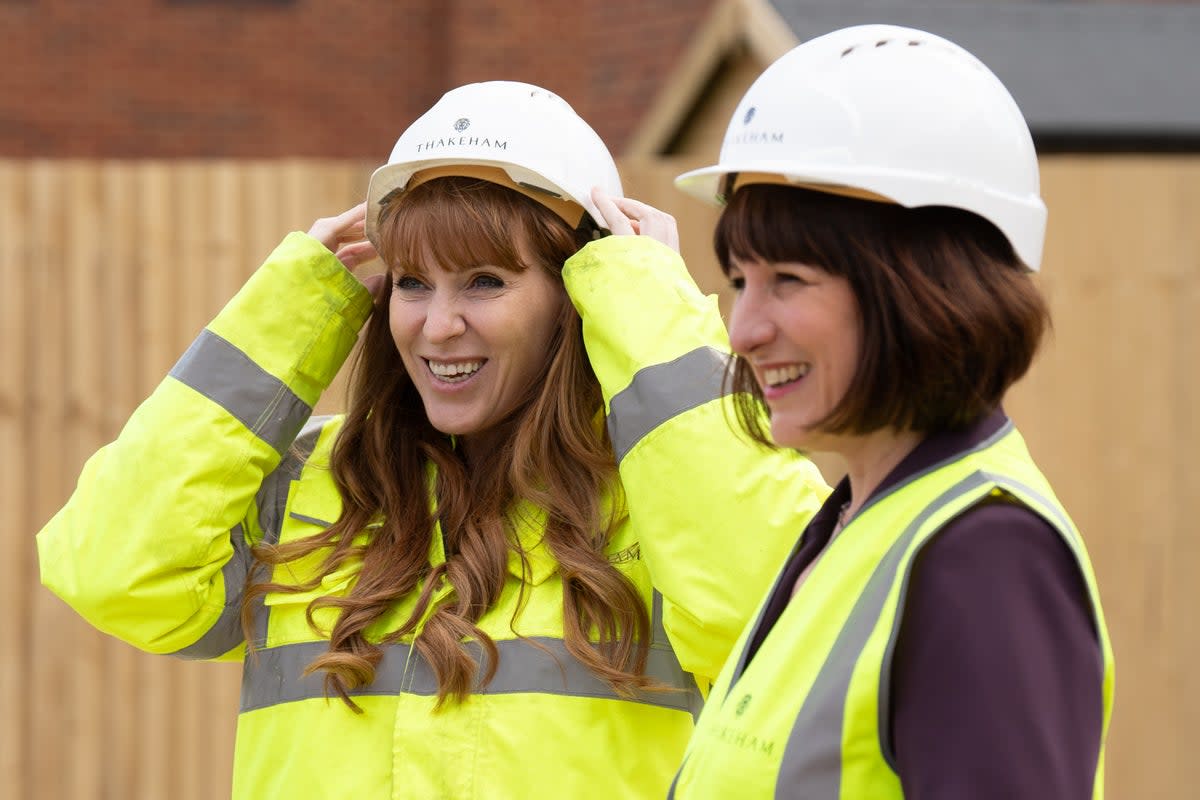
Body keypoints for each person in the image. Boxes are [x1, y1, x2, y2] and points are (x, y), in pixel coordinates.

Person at [36, 81, 829, 798]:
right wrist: (292, 311)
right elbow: (113, 571)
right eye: (413, 281)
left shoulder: (663, 497)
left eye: (485, 281)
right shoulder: (314, 482)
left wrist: (645, 302)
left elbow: (786, 623)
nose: (438, 326)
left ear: (576, 293)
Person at [667, 25, 1114, 799]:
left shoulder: (984, 557)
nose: (743, 329)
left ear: (922, 287)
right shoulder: (853, 529)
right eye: (740, 280)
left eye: (789, 279)